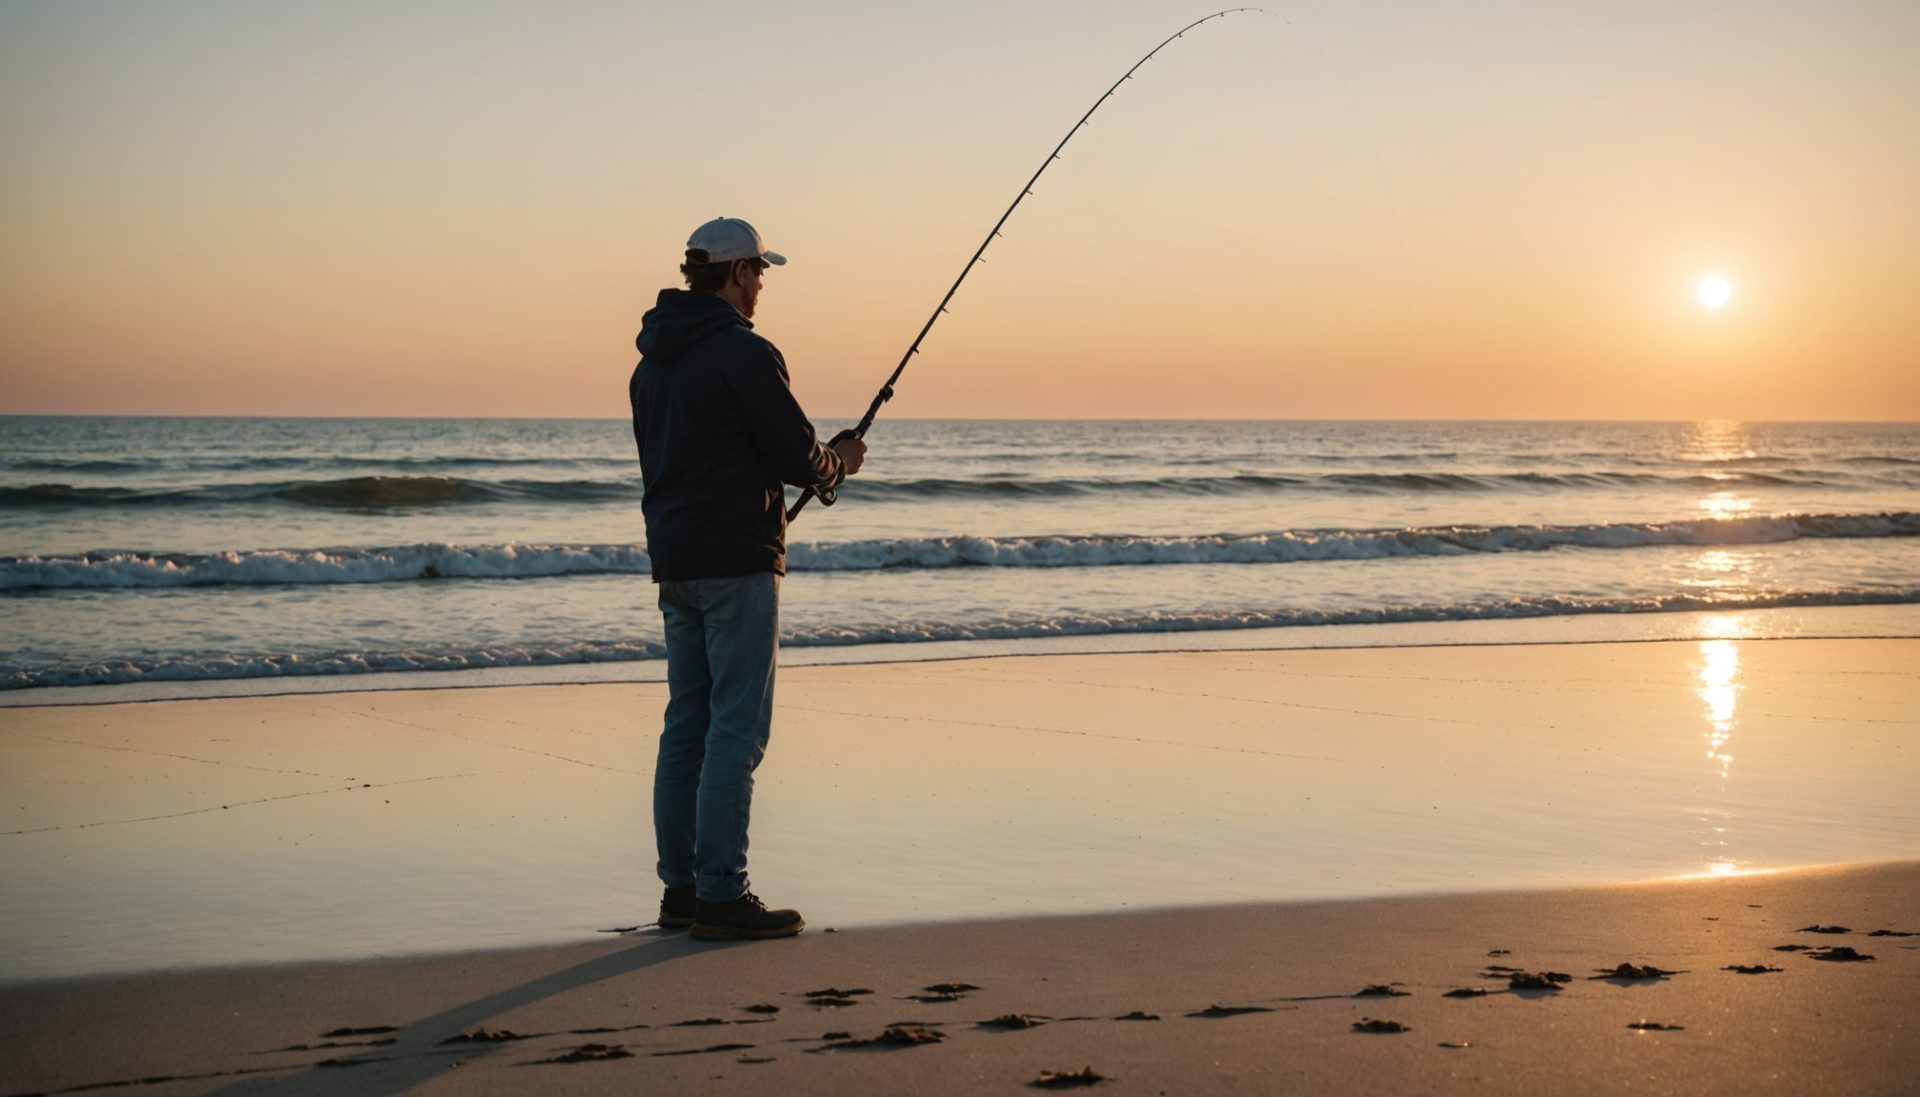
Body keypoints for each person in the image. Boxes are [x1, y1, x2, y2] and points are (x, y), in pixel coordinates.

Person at [628, 217, 866, 941]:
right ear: (734, 274)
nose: (762, 285)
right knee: (736, 726)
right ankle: (724, 894)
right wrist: (838, 463)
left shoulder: (651, 364)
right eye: (759, 271)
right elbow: (796, 453)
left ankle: (682, 890)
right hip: (737, 560)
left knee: (688, 723)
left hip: (676, 561)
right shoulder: (745, 352)